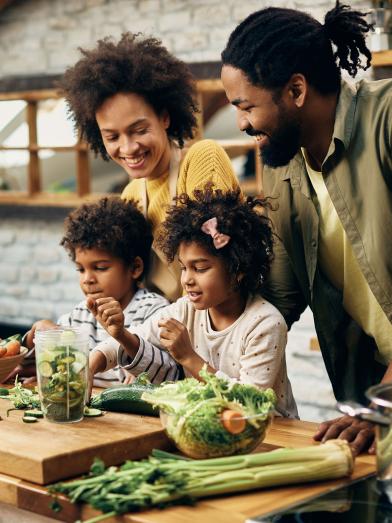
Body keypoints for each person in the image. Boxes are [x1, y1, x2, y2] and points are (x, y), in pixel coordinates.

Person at [221, 2, 392, 454]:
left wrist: (385, 405)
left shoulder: (387, 121)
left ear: (296, 89)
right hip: (373, 386)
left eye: (246, 106)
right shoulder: (283, 161)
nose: (241, 123)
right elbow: (281, 294)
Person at [88, 186, 298, 418]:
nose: (187, 279)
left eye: (200, 268)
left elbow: (250, 402)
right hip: (211, 429)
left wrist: (189, 357)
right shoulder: (185, 309)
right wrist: (92, 364)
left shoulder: (265, 323)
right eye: (184, 268)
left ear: (238, 269)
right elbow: (138, 335)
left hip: (271, 432)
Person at [61, 33, 240, 302]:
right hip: (158, 335)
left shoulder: (203, 158)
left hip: (217, 332)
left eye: (139, 130)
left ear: (165, 117)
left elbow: (215, 263)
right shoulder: (132, 194)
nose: (128, 148)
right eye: (112, 137)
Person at [22, 196, 169, 387]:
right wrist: (34, 337)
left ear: (135, 268)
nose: (87, 279)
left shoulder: (154, 311)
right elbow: (28, 366)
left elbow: (165, 371)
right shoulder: (80, 314)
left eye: (100, 268)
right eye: (80, 269)